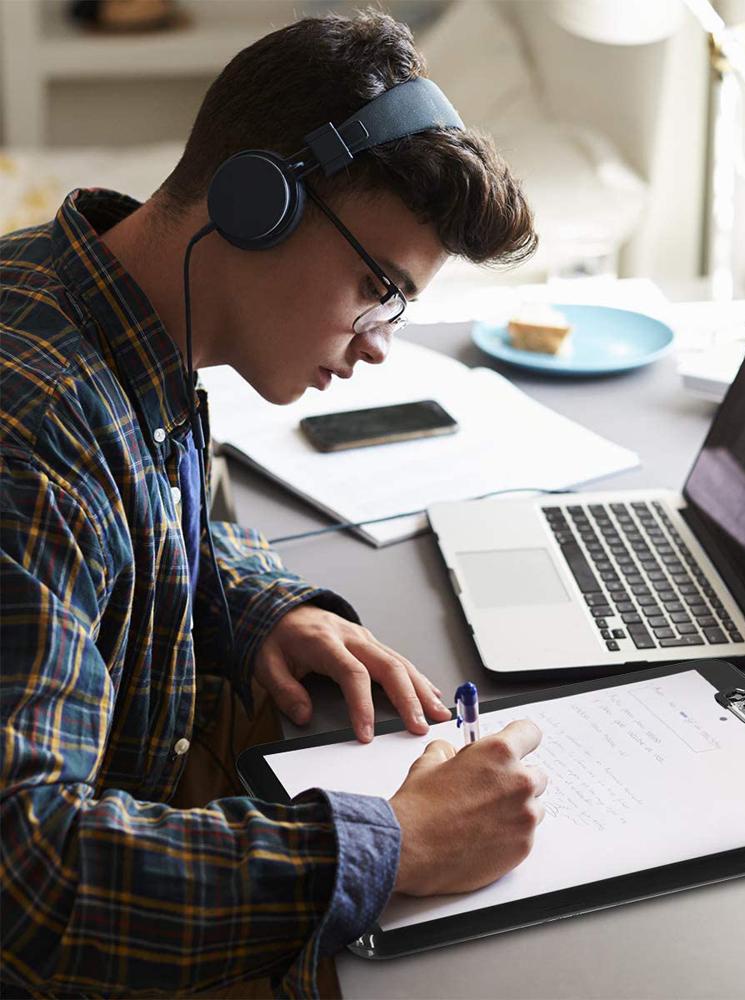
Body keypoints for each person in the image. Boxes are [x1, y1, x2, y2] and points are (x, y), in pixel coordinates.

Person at [0, 10, 547, 998]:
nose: (379, 341)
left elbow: (177, 526)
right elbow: (28, 877)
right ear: (256, 202)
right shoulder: (31, 436)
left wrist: (265, 608)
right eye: (377, 285)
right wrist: (394, 842)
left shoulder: (102, 315)